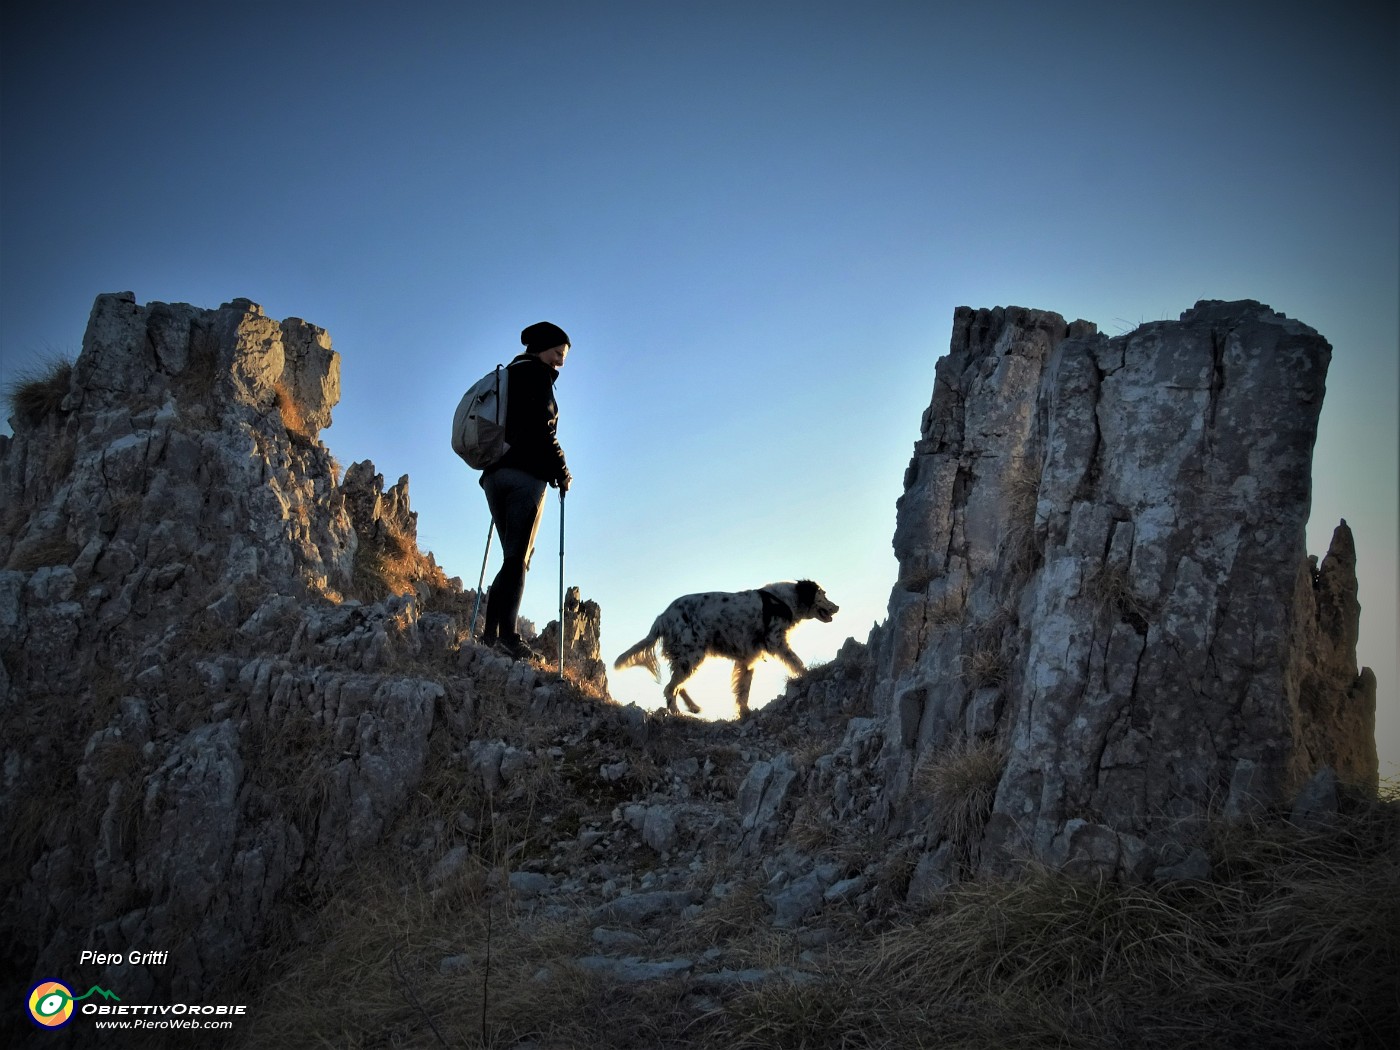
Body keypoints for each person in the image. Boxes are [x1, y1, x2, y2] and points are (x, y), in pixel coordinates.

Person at [478, 321, 573, 659]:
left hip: (493, 475)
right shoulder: (537, 376)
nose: (560, 362)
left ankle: (490, 635)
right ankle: (509, 637)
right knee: (519, 558)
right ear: (542, 348)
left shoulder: (508, 374)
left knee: (511, 557)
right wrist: (562, 472)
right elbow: (544, 430)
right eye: (558, 354)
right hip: (524, 476)